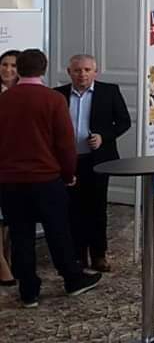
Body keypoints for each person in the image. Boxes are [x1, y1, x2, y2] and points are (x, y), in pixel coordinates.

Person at [0, 49, 101, 307]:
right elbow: (65, 144)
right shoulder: (54, 99)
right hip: (46, 179)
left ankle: (28, 291)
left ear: (19, 69)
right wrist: (68, 174)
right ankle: (72, 279)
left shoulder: (4, 99)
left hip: (10, 181)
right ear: (44, 69)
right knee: (58, 231)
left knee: (21, 236)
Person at [55, 54, 131, 274]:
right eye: (77, 70)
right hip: (69, 161)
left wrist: (103, 137)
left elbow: (124, 121)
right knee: (72, 209)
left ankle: (99, 254)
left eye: (87, 70)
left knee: (97, 208)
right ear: (69, 72)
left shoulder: (109, 91)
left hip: (98, 160)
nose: (82, 75)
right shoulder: (58, 95)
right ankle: (78, 255)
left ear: (95, 72)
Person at [0, 49, 15, 287]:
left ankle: (8, 259)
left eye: (14, 65)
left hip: (16, 164)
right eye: (4, 64)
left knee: (9, 216)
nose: (8, 70)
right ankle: (3, 266)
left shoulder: (27, 93)